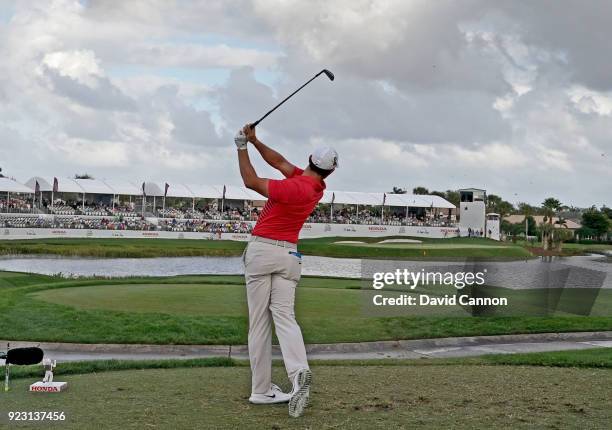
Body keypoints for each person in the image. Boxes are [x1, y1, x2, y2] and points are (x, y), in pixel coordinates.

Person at [235, 124, 338, 418]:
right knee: (284, 316)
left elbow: (250, 181)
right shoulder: (315, 187)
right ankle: (298, 374)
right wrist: (255, 141)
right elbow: (279, 162)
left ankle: (261, 389)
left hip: (262, 251)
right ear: (329, 171)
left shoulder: (293, 186)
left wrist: (240, 146)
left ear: (309, 159)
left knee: (259, 322)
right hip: (290, 255)